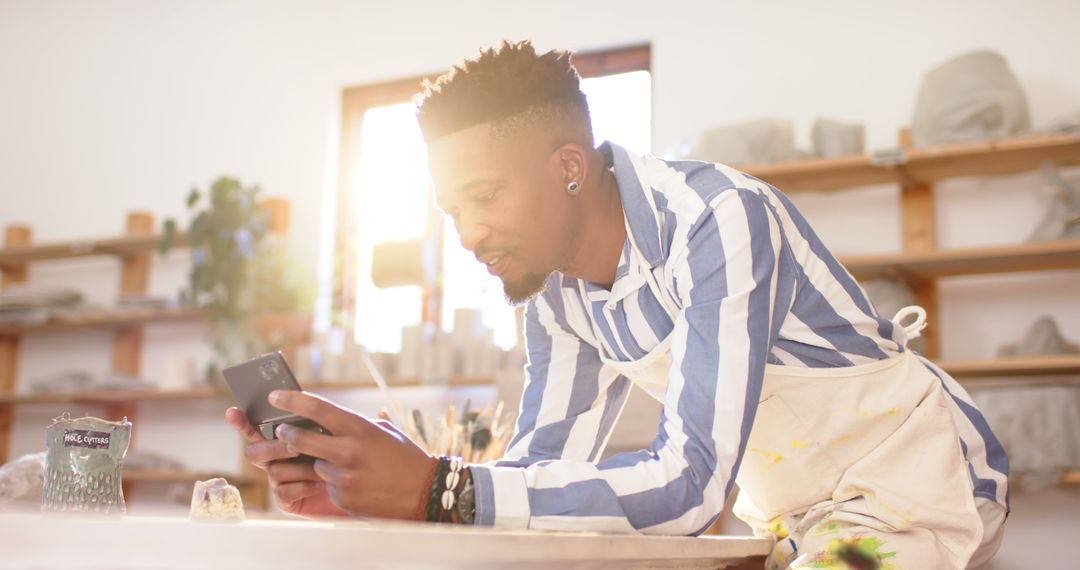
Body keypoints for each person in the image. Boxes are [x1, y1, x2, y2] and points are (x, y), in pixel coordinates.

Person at [226, 40, 1009, 568]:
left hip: (917, 488)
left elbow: (691, 486)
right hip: (794, 517)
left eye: (484, 196)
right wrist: (380, 501)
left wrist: (439, 486)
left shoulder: (716, 220)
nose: (468, 233)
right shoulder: (553, 291)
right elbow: (541, 475)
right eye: (451, 212)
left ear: (570, 164)